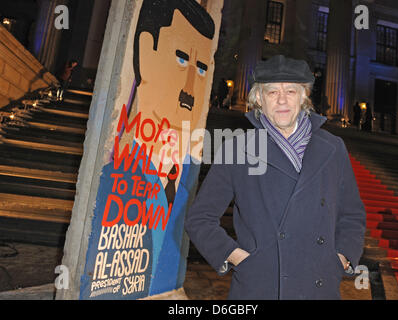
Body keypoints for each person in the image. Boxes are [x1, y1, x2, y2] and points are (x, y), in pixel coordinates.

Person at [185, 55, 366, 300]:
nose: (282, 100)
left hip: (320, 286)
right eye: (272, 92)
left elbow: (352, 214)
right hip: (261, 286)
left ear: (303, 97)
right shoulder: (238, 149)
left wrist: (342, 257)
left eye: (291, 91)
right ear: (258, 99)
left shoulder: (333, 148)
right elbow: (200, 218)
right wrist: (238, 257)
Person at [81, 0, 216, 299]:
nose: (191, 87)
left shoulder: (190, 169)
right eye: (181, 59)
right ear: (146, 50)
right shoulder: (114, 160)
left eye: (202, 69)